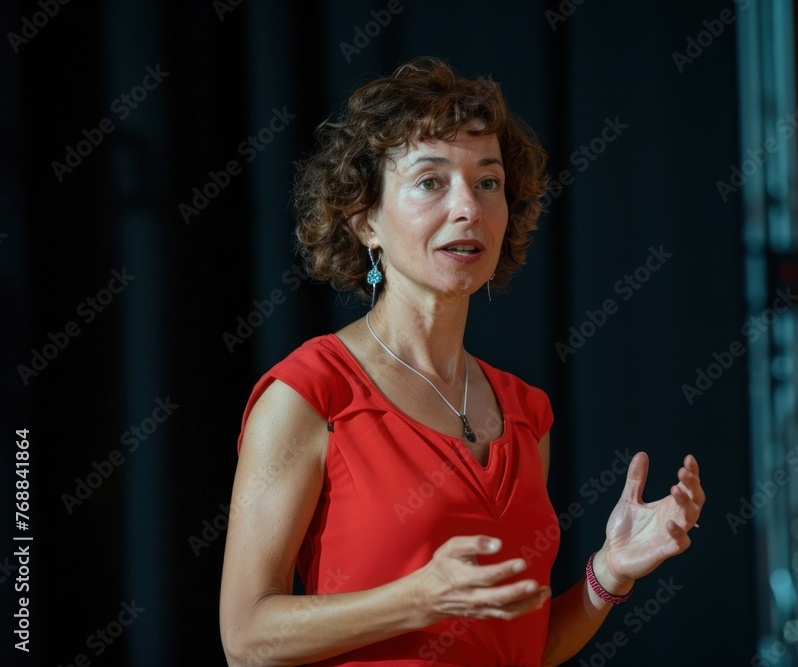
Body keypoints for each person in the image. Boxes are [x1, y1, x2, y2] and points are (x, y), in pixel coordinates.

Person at [219, 57, 705, 667]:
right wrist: (415, 600)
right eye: (430, 181)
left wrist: (609, 572)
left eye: (488, 182)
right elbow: (246, 638)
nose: (468, 208)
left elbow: (524, 647)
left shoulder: (526, 414)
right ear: (366, 220)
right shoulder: (311, 394)